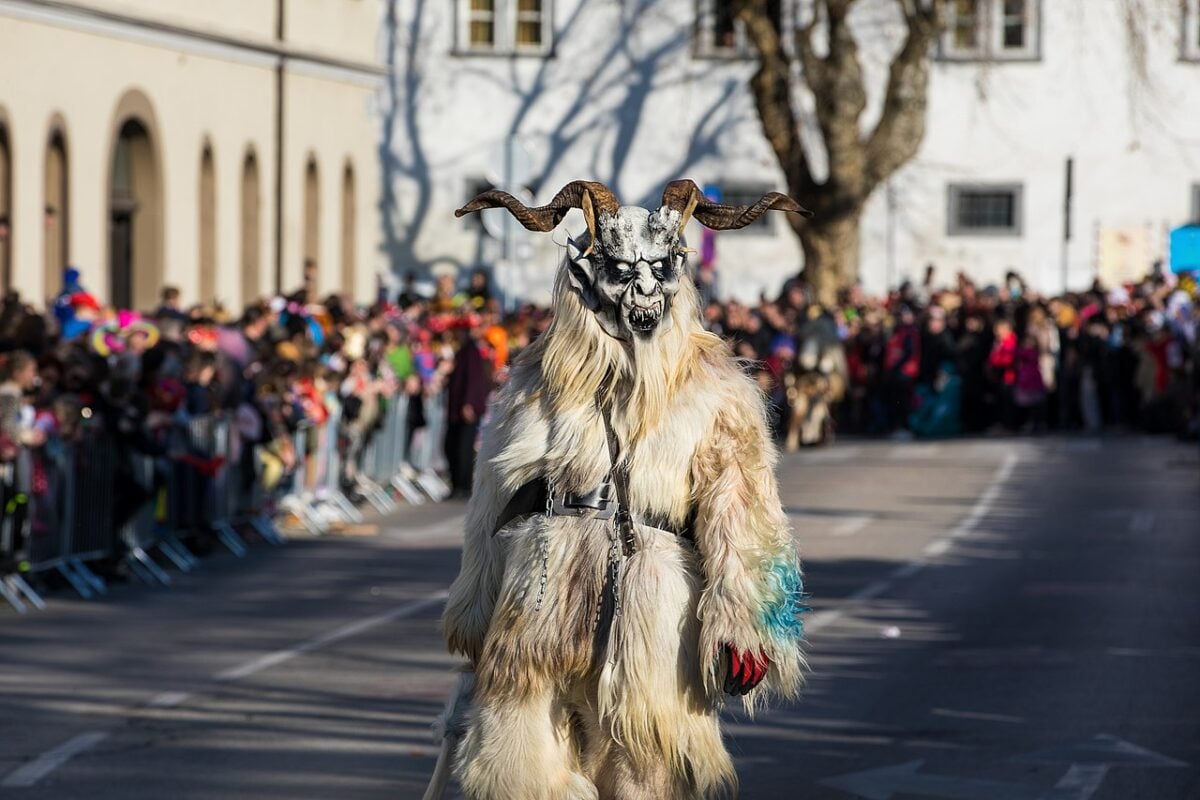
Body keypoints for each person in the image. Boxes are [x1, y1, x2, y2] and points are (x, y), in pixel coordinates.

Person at [443, 317, 488, 498]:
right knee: (451, 446)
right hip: (457, 409)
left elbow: (473, 380)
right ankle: (456, 484)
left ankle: (462, 486)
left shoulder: (471, 352)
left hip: (466, 409)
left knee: (463, 448)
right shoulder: (463, 351)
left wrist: (469, 403)